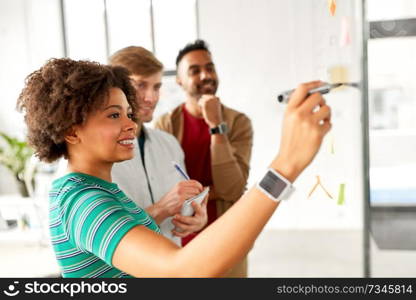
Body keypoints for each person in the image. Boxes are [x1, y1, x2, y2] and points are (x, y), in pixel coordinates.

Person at [17, 57, 331, 278]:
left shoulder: (102, 191)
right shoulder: (83, 201)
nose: (131, 124)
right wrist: (284, 166)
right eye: (114, 115)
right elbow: (181, 270)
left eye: (129, 114)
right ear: (71, 131)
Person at [155, 40, 253, 277]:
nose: (206, 75)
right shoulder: (166, 125)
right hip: (180, 232)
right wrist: (209, 191)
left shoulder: (238, 123)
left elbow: (232, 188)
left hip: (226, 231)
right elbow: (163, 188)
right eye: (195, 71)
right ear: (179, 80)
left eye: (210, 67)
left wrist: (216, 127)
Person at [108, 46, 207, 246]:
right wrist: (160, 209)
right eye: (140, 85)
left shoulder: (169, 145)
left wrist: (196, 218)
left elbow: (182, 211)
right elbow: (107, 235)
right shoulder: (98, 155)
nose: (151, 98)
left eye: (156, 87)